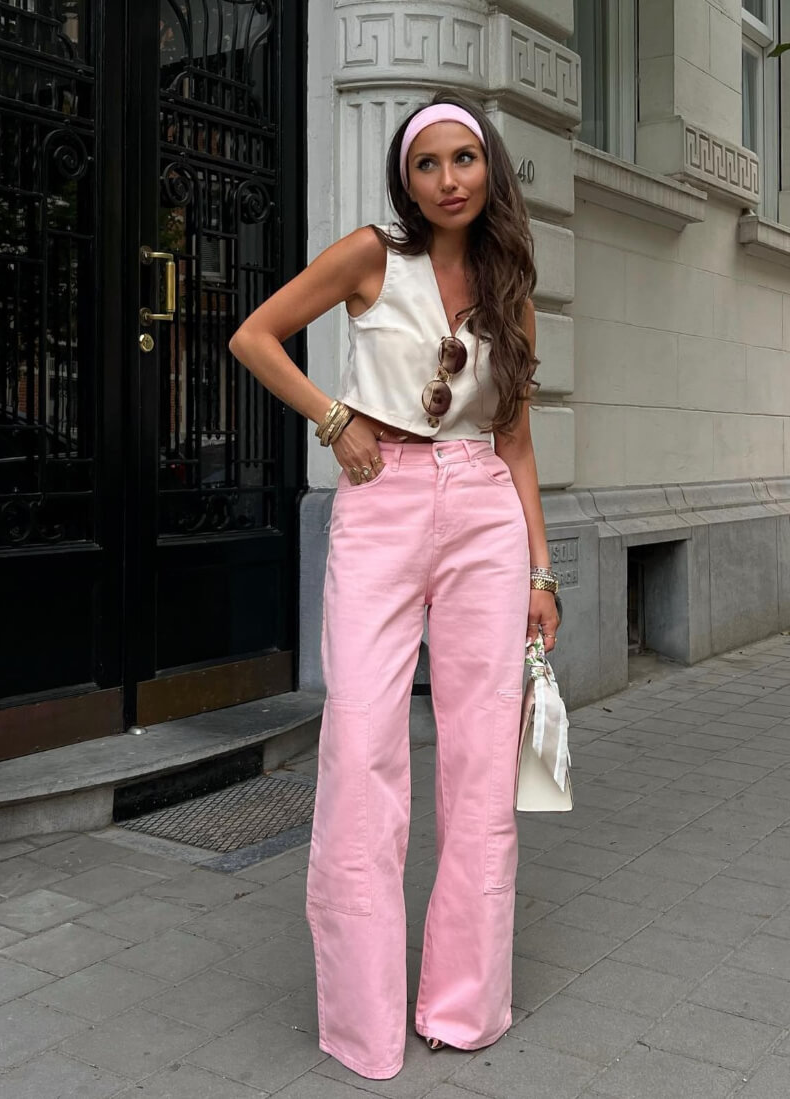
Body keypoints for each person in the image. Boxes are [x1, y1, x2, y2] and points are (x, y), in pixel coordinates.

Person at [229, 90, 561, 1081]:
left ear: (489, 170)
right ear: (405, 177)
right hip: (380, 507)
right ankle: (362, 1020)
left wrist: (540, 566)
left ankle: (462, 1006)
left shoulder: (509, 288)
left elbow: (514, 441)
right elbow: (254, 336)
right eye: (428, 164)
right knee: (361, 749)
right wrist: (334, 420)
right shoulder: (371, 254)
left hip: (483, 521)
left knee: (477, 765)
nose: (448, 179)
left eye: (465, 160)